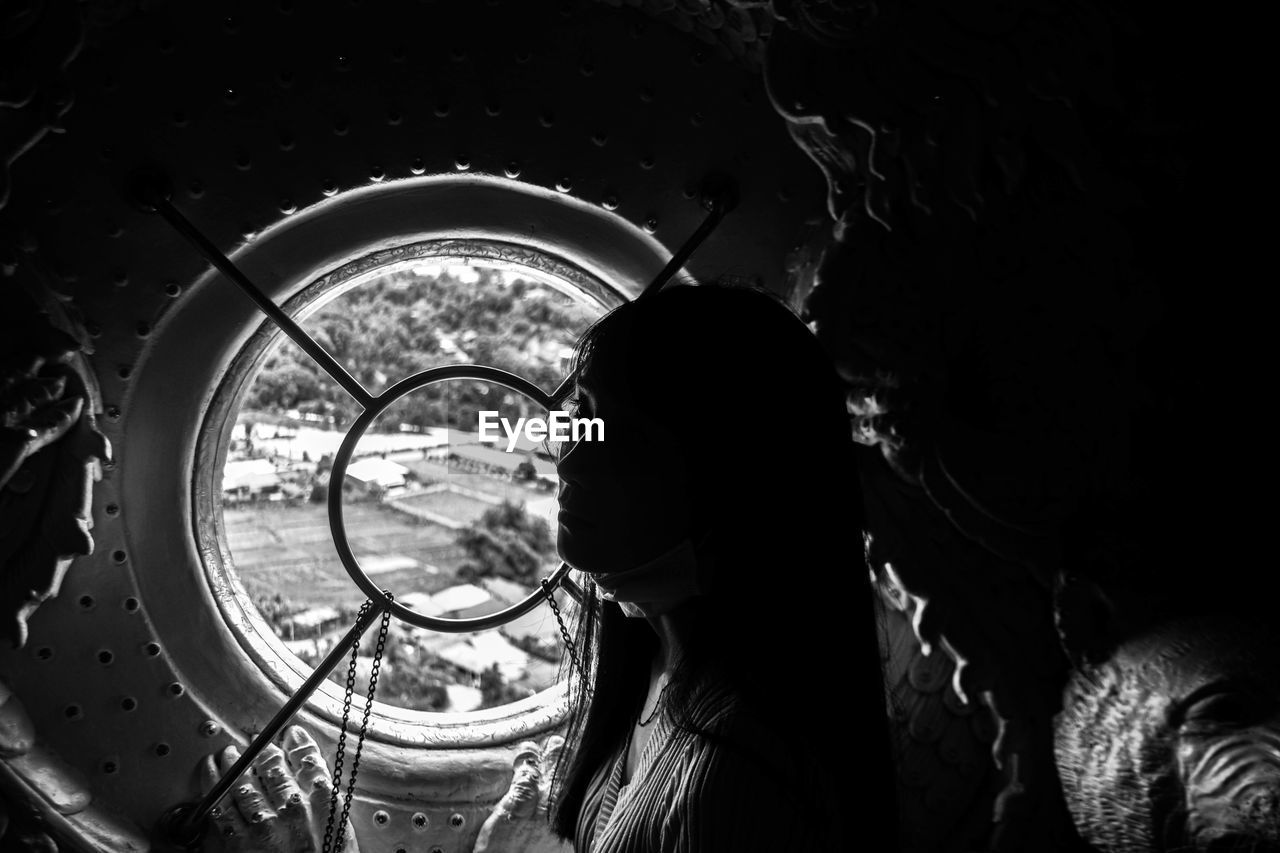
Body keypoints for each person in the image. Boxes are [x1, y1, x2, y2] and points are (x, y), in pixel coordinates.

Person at [194, 283, 899, 852]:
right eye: (576, 418)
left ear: (734, 477)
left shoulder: (740, 777)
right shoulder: (667, 672)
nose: (568, 456)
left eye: (609, 429)